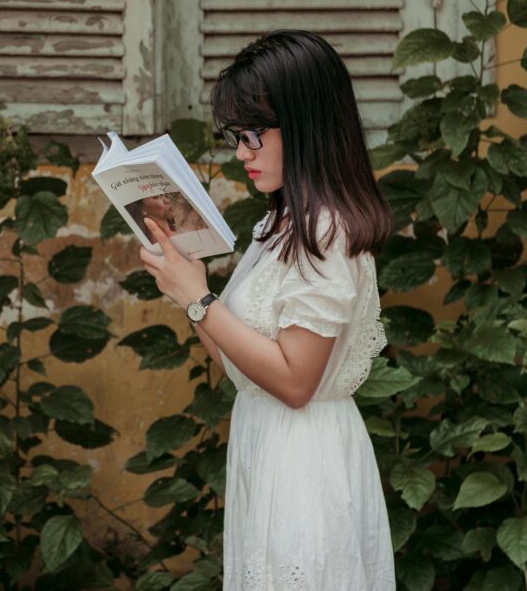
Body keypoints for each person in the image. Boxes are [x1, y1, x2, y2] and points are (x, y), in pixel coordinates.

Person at [138, 30, 396, 590]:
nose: (241, 152)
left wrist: (199, 298)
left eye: (254, 134)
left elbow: (296, 381)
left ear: (307, 125)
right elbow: (241, 364)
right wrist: (190, 288)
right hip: (268, 445)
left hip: (305, 462)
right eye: (236, 135)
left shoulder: (325, 229)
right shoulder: (279, 223)